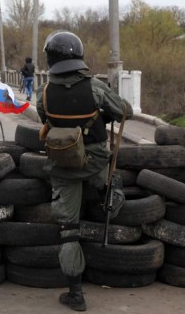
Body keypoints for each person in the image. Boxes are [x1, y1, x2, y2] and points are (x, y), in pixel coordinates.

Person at [36, 31, 133, 312]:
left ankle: (75, 294)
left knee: (69, 230)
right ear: (78, 56)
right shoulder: (95, 88)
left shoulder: (43, 92)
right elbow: (125, 112)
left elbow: (44, 118)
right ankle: (111, 194)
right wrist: (101, 114)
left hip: (63, 166)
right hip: (95, 165)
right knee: (111, 176)